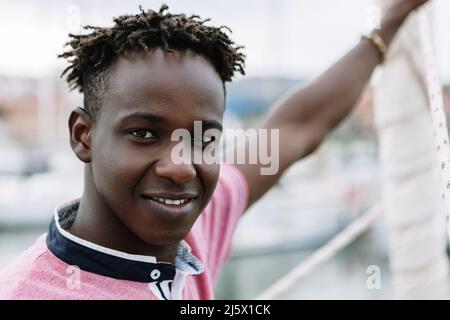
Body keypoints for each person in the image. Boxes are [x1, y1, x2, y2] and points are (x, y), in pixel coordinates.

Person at [0, 0, 428, 299]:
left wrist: (388, 25)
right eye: (145, 134)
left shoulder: (192, 227)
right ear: (83, 135)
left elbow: (297, 128)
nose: (180, 167)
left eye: (203, 138)